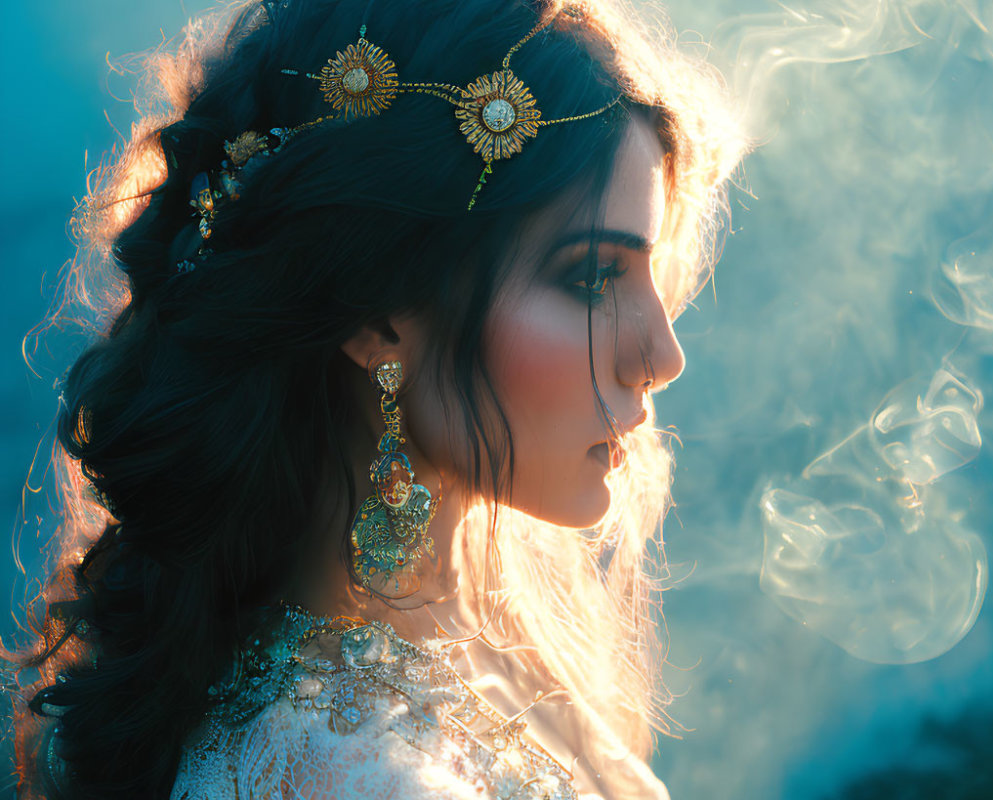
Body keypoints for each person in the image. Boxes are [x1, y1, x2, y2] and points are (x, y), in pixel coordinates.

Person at [5, 0, 744, 797]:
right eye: (592, 277)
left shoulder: (486, 659)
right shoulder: (351, 774)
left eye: (647, 275)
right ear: (378, 311)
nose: (661, 357)